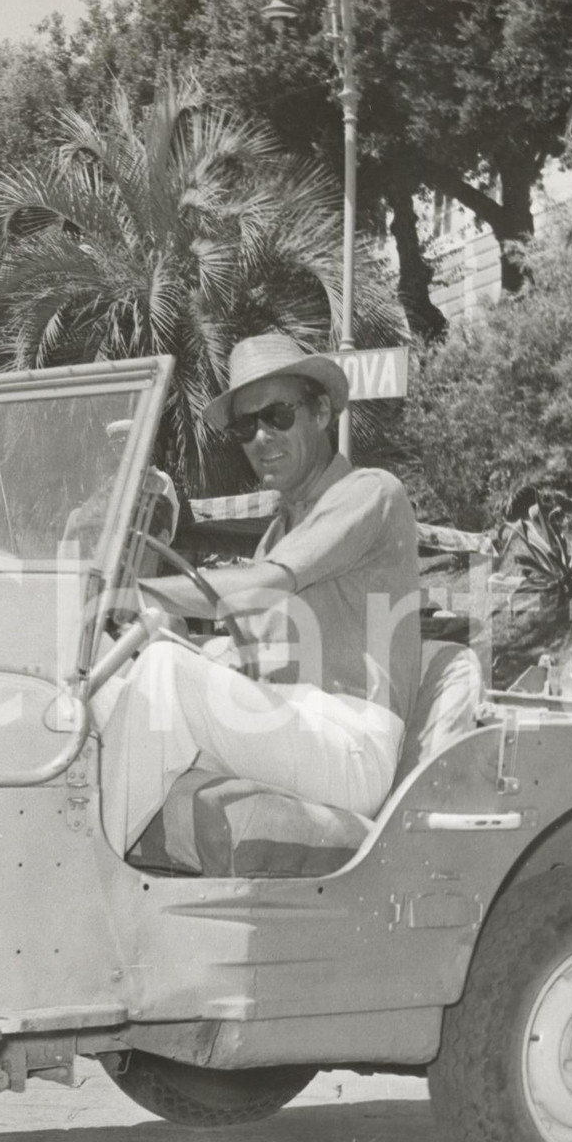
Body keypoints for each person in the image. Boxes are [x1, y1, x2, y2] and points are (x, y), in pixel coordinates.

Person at [93, 331, 421, 857]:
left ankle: (89, 870)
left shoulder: (369, 492)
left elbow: (263, 586)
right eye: (247, 426)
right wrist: (171, 636)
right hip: (292, 722)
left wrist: (135, 592)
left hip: (351, 740)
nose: (261, 438)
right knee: (102, 684)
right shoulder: (279, 532)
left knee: (166, 675)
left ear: (319, 413)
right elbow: (255, 652)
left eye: (278, 416)